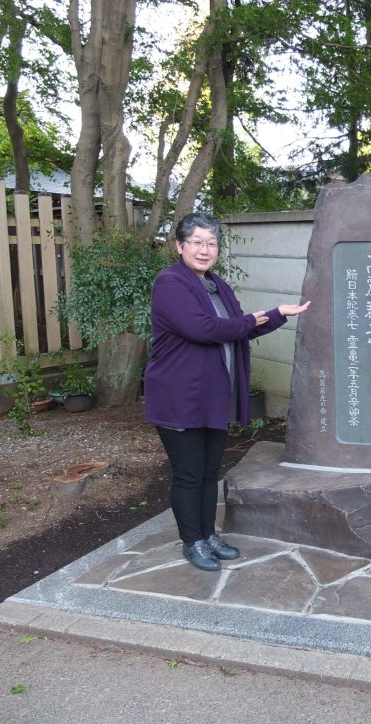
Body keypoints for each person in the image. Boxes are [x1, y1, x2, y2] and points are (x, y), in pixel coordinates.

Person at [144, 212, 310, 571]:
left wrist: (277, 313)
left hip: (211, 398)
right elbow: (204, 329)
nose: (205, 250)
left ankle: (208, 535)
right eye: (197, 242)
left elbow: (237, 329)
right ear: (179, 246)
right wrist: (251, 319)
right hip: (180, 400)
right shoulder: (170, 284)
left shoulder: (216, 285)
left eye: (212, 243)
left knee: (208, 472)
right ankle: (193, 542)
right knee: (188, 474)